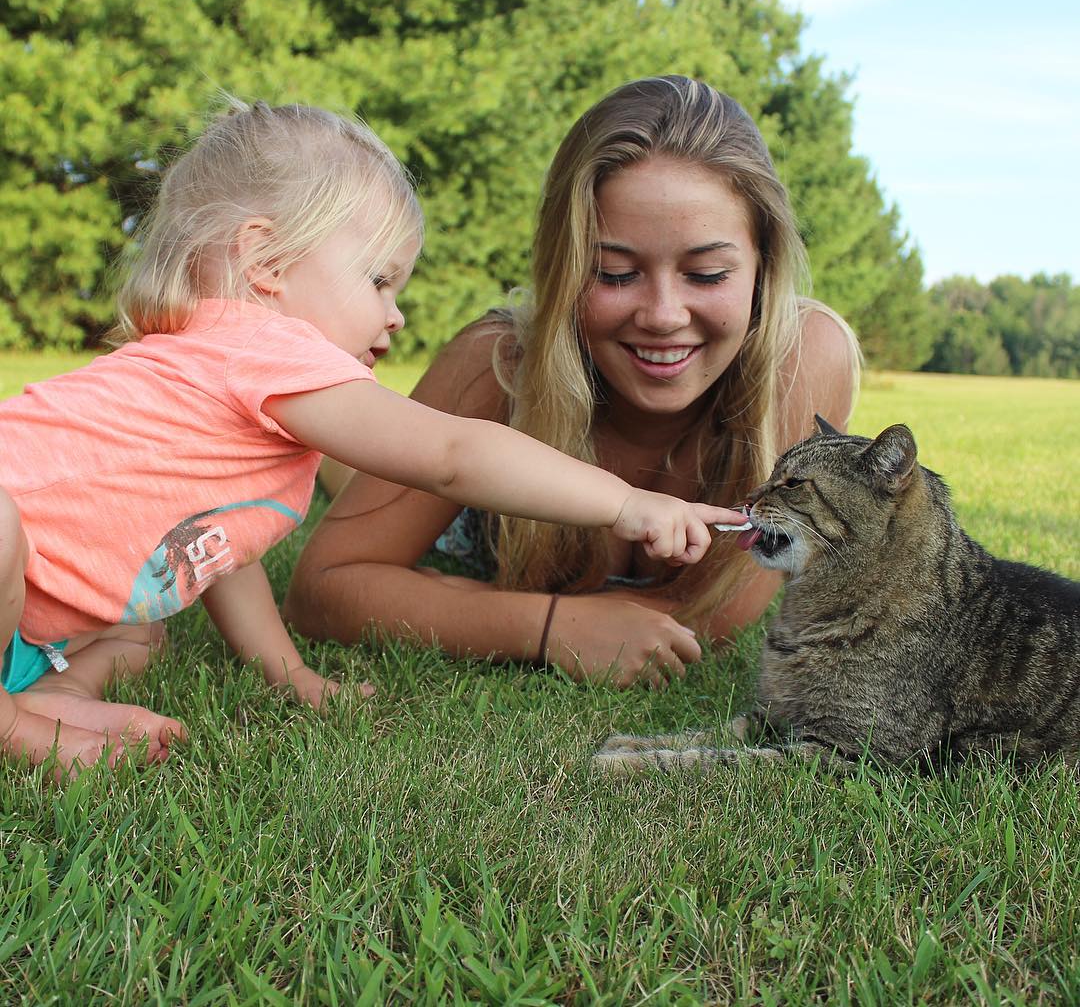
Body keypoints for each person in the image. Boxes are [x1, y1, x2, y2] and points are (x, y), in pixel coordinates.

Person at [0, 98, 747, 774]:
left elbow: (214, 548)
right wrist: (625, 504)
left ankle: (45, 701)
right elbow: (453, 456)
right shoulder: (260, 348)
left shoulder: (225, 381)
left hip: (28, 631)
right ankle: (13, 728)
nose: (394, 315)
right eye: (379, 281)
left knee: (140, 634)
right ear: (265, 263)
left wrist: (285, 673)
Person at [284, 75, 861, 688]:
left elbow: (714, 617)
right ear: (564, 268)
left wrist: (445, 599)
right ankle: (321, 453)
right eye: (614, 274)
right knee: (345, 466)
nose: (664, 315)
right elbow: (321, 591)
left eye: (707, 274)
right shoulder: (498, 363)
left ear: (763, 270)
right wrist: (546, 626)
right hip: (463, 509)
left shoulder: (804, 358)